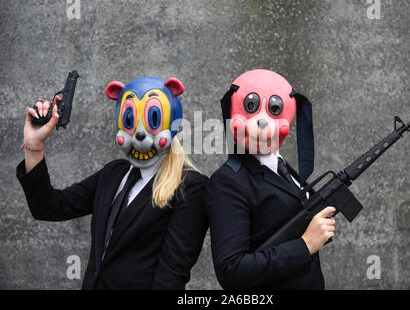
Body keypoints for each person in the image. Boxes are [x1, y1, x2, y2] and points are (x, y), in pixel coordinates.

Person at [16, 76, 208, 289]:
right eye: (130, 120)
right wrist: (33, 144)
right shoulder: (113, 174)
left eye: (153, 118)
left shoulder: (190, 187)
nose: (139, 133)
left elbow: (171, 276)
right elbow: (49, 207)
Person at [205, 69, 335, 289]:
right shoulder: (227, 181)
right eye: (251, 107)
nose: (262, 122)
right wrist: (304, 246)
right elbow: (232, 270)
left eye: (274, 109)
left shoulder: (283, 167)